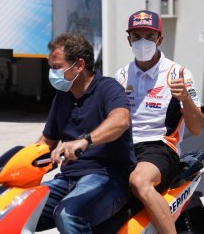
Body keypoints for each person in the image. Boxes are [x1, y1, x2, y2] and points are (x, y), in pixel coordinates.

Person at [35, 33, 137, 233]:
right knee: (16, 208)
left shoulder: (108, 88)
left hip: (107, 178)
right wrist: (19, 163)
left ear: (79, 65)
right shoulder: (62, 98)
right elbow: (47, 141)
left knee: (68, 214)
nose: (52, 73)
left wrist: (84, 141)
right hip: (66, 179)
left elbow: (121, 120)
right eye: (51, 67)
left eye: (57, 67)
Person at [115, 10, 204, 233]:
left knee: (139, 181)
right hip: (126, 147)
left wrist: (184, 98)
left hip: (161, 147)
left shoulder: (178, 74)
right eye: (137, 36)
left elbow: (197, 128)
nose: (142, 42)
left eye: (149, 36)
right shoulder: (122, 75)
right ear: (129, 40)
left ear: (160, 39)